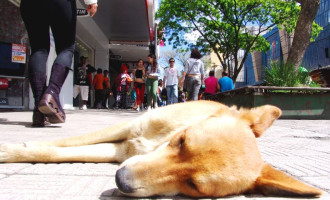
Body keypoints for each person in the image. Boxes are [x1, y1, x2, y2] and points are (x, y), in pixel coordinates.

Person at [20, 0, 98, 126]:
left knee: (38, 49)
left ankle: (39, 112)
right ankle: (52, 94)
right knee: (66, 48)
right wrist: (91, 1)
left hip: (30, 4)